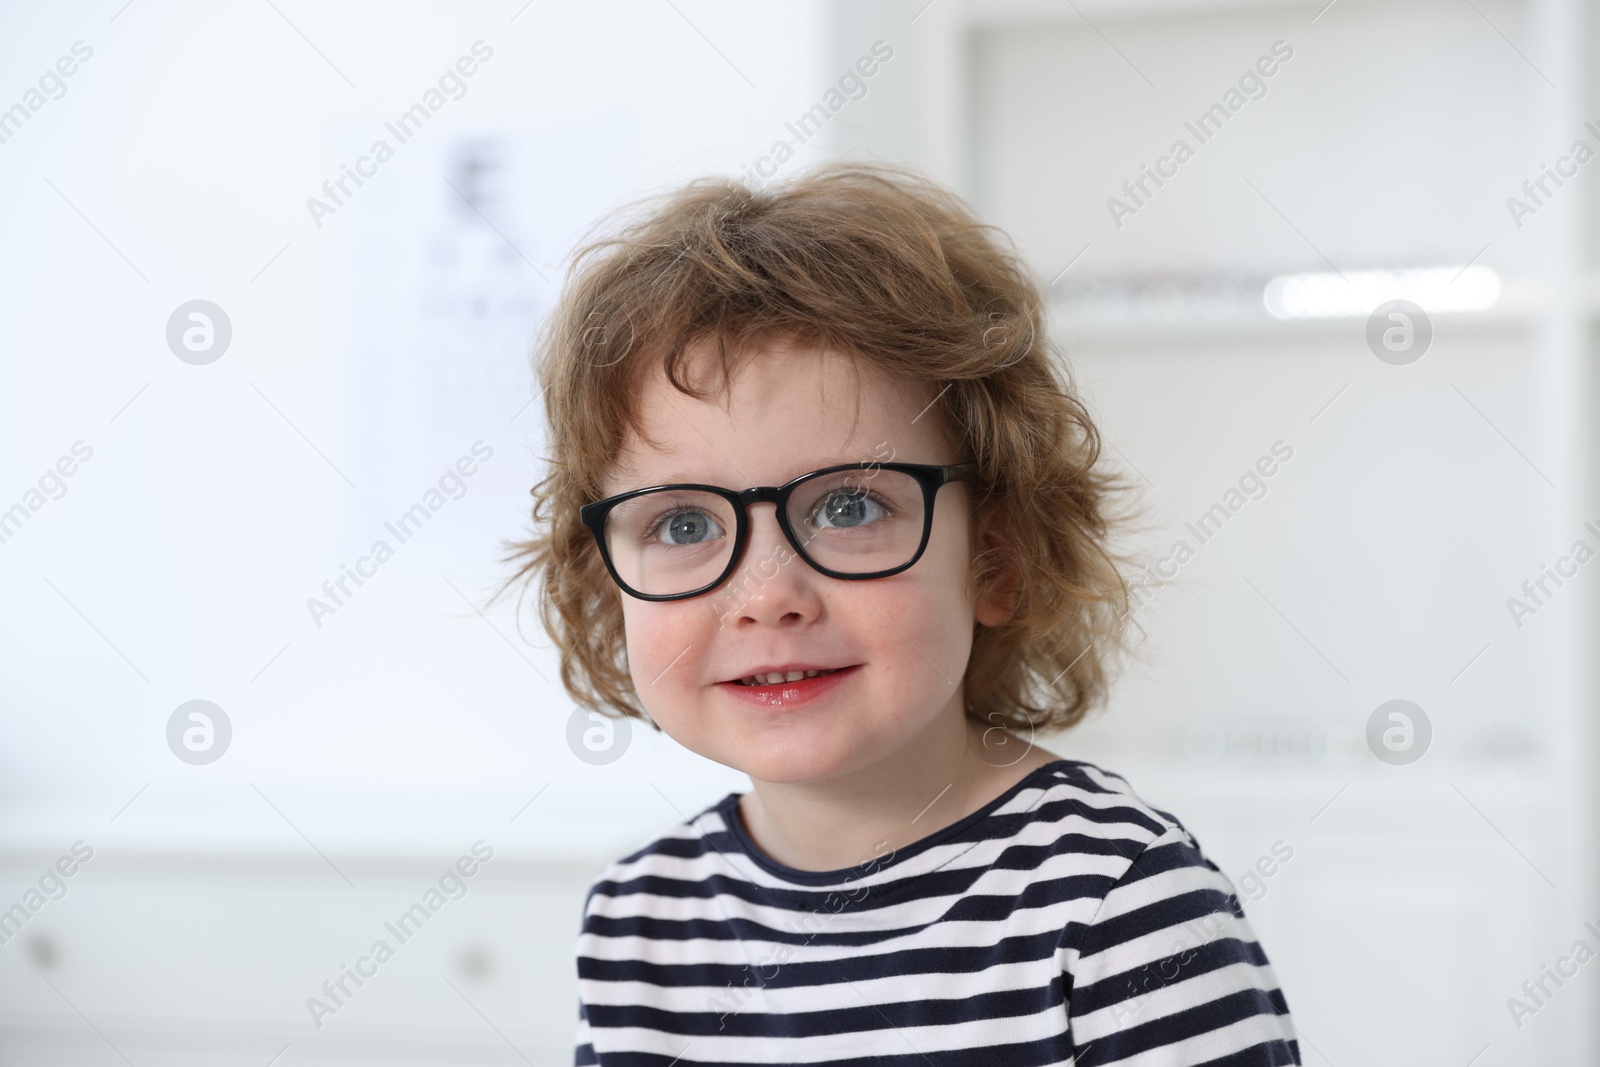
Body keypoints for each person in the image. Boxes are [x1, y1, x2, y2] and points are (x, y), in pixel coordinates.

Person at [496, 162, 1301, 1065]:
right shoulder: (640, 919)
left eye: (849, 507)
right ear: (606, 582)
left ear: (994, 559)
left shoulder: (1115, 902)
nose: (767, 597)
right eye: (682, 522)